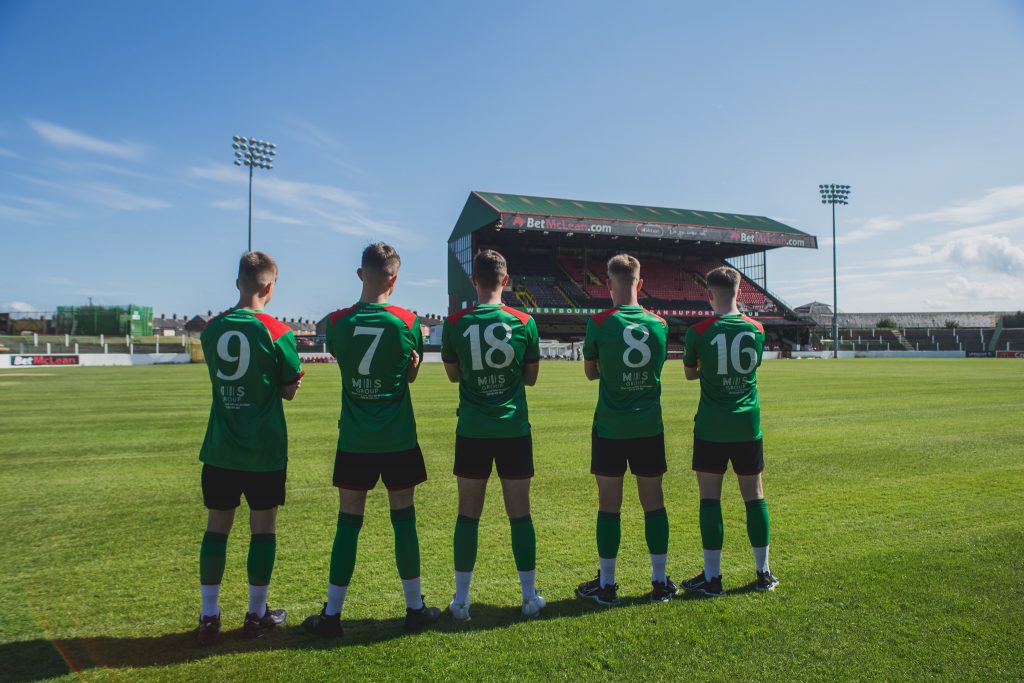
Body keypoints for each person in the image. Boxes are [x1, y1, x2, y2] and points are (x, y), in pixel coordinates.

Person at [304, 242, 440, 638]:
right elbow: (407, 375)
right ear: (394, 279)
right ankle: (414, 609)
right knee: (404, 521)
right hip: (398, 438)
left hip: (356, 440)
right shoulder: (409, 322)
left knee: (348, 524)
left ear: (361, 273)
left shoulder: (337, 322)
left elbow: (349, 367)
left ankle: (331, 616)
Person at [196, 251, 303, 646]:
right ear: (269, 286)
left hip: (221, 448)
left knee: (216, 530)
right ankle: (257, 614)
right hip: (263, 450)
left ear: (238, 281)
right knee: (263, 531)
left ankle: (209, 616)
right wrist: (279, 387)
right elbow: (288, 388)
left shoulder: (211, 330)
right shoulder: (279, 332)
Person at [440, 249, 545, 621]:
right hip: (513, 428)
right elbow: (530, 379)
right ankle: (530, 597)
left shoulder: (455, 323)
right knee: (521, 515)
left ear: (474, 281)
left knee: (467, 516)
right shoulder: (524, 321)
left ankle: (462, 601)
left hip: (472, 430)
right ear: (506, 280)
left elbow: (454, 376)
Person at [575, 254, 675, 606]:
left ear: (607, 283)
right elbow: (655, 371)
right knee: (654, 505)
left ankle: (607, 584)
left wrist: (611, 369)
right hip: (648, 427)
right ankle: (660, 582)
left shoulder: (599, 322)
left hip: (611, 428)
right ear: (640, 283)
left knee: (609, 507)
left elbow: (590, 372)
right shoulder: (660, 324)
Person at [680, 266, 779, 597]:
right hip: (747, 424)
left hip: (711, 425)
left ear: (709, 294)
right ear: (740, 291)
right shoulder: (757, 329)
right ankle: (764, 573)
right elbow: (753, 368)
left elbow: (690, 374)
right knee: (755, 497)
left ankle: (712, 578)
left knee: (710, 500)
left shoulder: (698, 331)